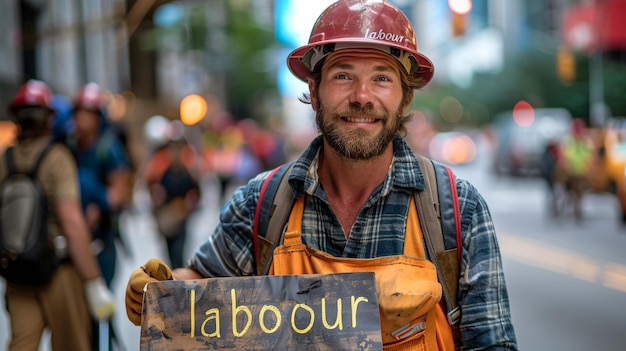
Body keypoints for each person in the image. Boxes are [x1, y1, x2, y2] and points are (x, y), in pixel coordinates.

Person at [125, 1, 518, 350]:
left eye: (382, 77)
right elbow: (203, 290)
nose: (362, 95)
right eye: (343, 76)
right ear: (313, 92)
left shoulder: (455, 209)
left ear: (404, 96)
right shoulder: (262, 205)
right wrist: (166, 290)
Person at [1, 79, 115, 350]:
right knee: (71, 344)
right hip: (58, 269)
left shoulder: (5, 159)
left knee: (22, 344)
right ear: (49, 119)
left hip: (18, 271)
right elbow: (72, 222)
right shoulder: (57, 157)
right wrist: (93, 280)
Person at [64, 82, 132, 350]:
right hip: (73, 238)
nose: (81, 119)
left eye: (87, 113)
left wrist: (98, 202)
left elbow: (121, 192)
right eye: (78, 113)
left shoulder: (109, 148)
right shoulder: (68, 146)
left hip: (101, 240)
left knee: (99, 307)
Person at [143, 131, 201, 269]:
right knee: (169, 251)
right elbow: (149, 183)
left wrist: (190, 202)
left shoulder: (189, 166)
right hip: (166, 215)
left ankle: (178, 278)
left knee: (179, 251)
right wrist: (157, 195)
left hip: (181, 215)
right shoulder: (160, 165)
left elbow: (197, 190)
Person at [557, 118, 593, 220]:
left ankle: (578, 213)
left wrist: (588, 169)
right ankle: (562, 212)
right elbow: (562, 156)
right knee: (566, 193)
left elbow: (590, 156)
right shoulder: (568, 141)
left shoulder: (585, 142)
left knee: (579, 195)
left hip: (581, 173)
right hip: (569, 173)